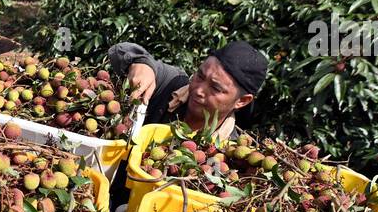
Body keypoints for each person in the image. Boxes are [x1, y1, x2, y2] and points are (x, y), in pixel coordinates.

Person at [108, 40, 269, 141]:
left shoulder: (229, 151)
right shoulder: (171, 83)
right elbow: (120, 50)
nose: (198, 89)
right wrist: (141, 64)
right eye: (200, 75)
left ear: (242, 101)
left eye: (215, 87)